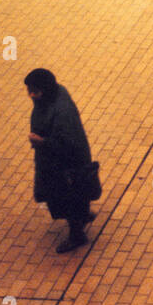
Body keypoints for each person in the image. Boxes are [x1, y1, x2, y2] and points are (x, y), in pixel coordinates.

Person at [25, 68, 95, 253]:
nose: (31, 95)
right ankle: (83, 214)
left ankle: (77, 234)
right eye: (29, 90)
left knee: (66, 197)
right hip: (67, 161)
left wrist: (41, 142)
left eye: (35, 91)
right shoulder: (57, 93)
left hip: (64, 165)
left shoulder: (61, 112)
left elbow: (66, 144)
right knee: (77, 193)